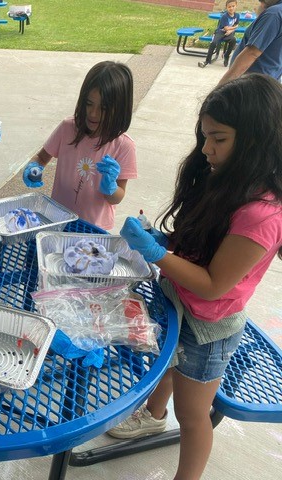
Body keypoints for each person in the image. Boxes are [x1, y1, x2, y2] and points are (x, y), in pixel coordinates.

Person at [109, 73, 282, 480]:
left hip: (210, 324)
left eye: (218, 139)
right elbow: (202, 243)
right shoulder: (224, 177)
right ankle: (153, 414)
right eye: (204, 136)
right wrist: (165, 240)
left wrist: (155, 253)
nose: (206, 149)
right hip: (179, 298)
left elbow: (212, 283)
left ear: (257, 139)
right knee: (167, 361)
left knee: (190, 413)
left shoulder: (261, 214)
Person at [21, 61, 136, 231]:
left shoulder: (124, 146)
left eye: (103, 108)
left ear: (119, 109)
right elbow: (41, 157)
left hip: (92, 229)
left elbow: (117, 197)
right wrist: (33, 169)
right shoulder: (68, 128)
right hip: (56, 219)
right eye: (89, 104)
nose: (93, 113)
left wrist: (110, 188)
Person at [220, 0, 282, 84]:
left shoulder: (274, 14)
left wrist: (219, 89)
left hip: (251, 84)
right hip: (269, 81)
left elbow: (251, 53)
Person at [198, 0, 240, 68]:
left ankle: (226, 55)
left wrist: (231, 31)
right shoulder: (224, 16)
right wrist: (234, 28)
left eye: (233, 6)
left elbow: (236, 24)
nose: (231, 8)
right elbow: (226, 28)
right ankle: (207, 61)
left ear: (236, 6)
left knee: (233, 40)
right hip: (220, 32)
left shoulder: (237, 15)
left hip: (229, 33)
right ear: (226, 8)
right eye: (229, 7)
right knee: (213, 43)